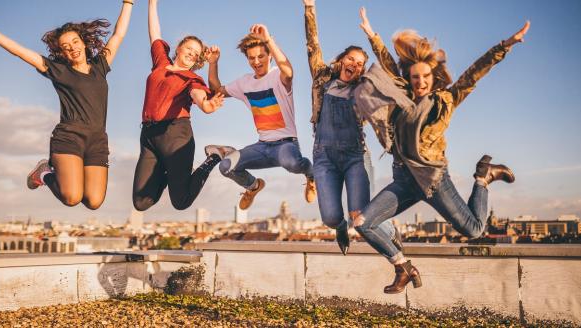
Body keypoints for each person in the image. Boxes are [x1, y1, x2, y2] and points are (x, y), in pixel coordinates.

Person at [353, 7, 530, 293]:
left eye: (425, 77)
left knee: (474, 230)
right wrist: (372, 35)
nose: (420, 82)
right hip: (405, 182)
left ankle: (483, 178)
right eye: (414, 78)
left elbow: (474, 73)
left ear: (433, 77)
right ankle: (403, 268)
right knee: (363, 223)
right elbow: (388, 65)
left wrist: (504, 46)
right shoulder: (402, 98)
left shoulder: (445, 99)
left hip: (434, 182)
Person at [0, 2, 134, 209]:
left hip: (97, 140)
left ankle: (54, 175)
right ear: (62, 52)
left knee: (94, 202)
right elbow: (19, 52)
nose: (72, 48)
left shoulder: (100, 66)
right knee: (71, 198)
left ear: (84, 43)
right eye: (66, 47)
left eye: (75, 42)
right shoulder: (58, 70)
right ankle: (44, 173)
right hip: (69, 137)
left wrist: (128, 3)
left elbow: (118, 35)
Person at [302, 0, 400, 255]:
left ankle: (391, 232)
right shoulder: (322, 78)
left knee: (361, 215)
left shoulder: (363, 90)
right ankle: (339, 226)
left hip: (355, 155)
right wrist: (310, 9)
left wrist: (372, 35)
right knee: (331, 218)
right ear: (342, 59)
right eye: (351, 59)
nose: (354, 65)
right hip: (324, 157)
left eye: (359, 64)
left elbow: (392, 72)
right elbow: (313, 45)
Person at [205, 23, 315, 210]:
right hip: (262, 147)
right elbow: (216, 89)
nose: (256, 62)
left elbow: (288, 70)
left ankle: (312, 176)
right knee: (225, 167)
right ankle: (253, 187)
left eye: (261, 56)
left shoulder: (278, 77)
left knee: (292, 163)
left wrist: (268, 40)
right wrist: (213, 63)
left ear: (270, 55)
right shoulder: (244, 83)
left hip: (285, 145)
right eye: (251, 58)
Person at [132, 0, 225, 211]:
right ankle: (168, 168)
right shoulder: (161, 63)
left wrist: (207, 105)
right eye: (189, 48)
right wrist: (152, 4)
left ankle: (214, 157)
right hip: (149, 136)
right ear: (179, 48)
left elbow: (199, 96)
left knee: (180, 202)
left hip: (176, 136)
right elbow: (154, 32)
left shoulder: (191, 79)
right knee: (141, 202)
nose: (192, 53)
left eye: (196, 53)